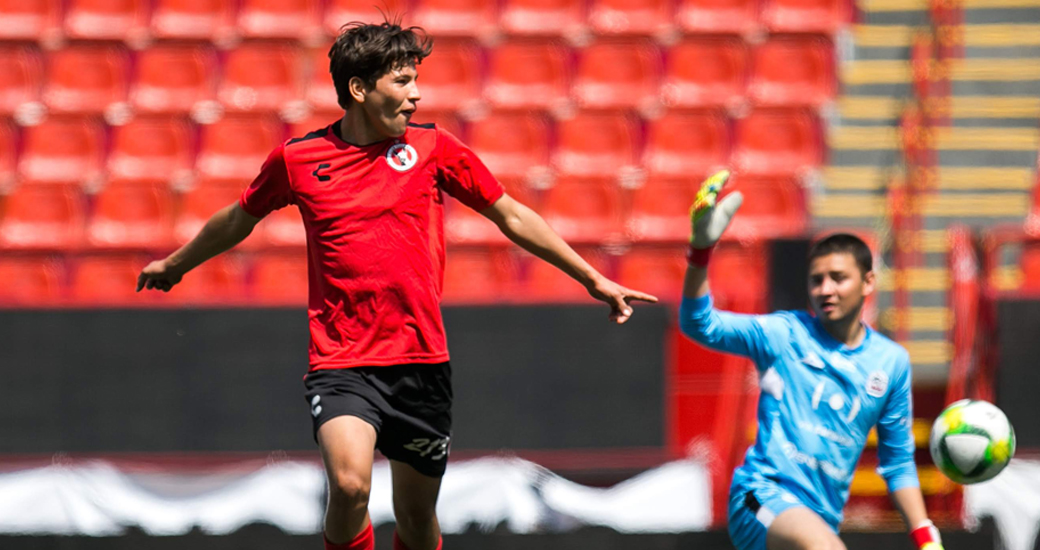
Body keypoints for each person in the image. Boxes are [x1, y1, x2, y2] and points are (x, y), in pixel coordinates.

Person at [136, 20, 657, 550]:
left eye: (415, 81)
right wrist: (177, 264)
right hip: (341, 362)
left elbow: (511, 215)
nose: (417, 94)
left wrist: (591, 277)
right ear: (360, 89)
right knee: (349, 485)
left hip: (420, 364)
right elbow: (237, 218)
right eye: (403, 81)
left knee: (414, 516)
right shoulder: (298, 160)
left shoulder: (435, 149)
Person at [677, 171, 944, 550]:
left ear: (869, 282)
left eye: (838, 278)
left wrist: (925, 537)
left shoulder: (892, 362)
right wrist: (700, 253)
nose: (825, 289)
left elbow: (897, 464)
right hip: (760, 498)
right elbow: (698, 323)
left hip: (821, 518)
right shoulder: (784, 334)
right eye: (817, 280)